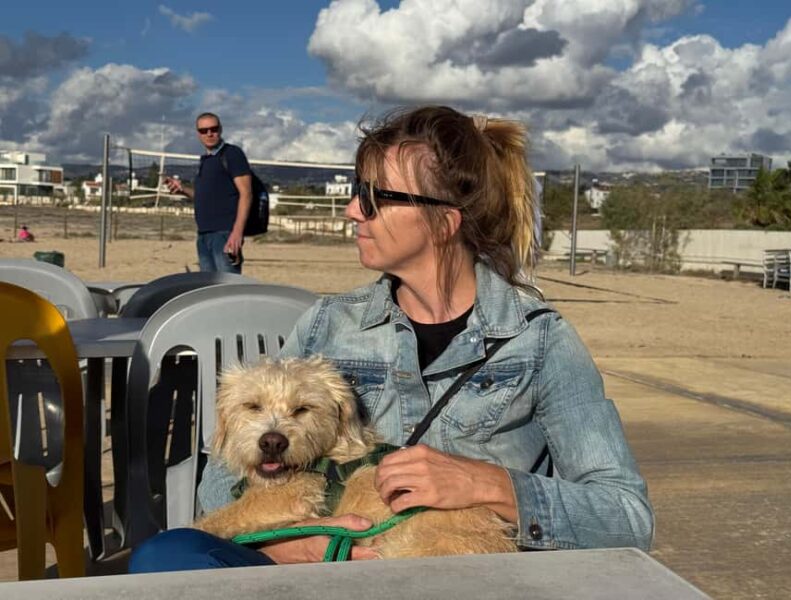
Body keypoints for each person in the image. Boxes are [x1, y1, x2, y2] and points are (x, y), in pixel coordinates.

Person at [130, 105, 653, 573]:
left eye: (372, 197)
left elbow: (627, 517)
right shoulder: (328, 323)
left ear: (443, 221)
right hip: (312, 563)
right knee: (165, 554)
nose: (352, 211)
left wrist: (487, 485)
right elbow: (224, 477)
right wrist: (298, 545)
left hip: (456, 573)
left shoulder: (537, 340)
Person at [165, 112, 251, 273]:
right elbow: (203, 198)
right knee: (209, 290)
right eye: (204, 130)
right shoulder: (206, 160)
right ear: (198, 134)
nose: (209, 133)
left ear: (221, 129)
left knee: (227, 289)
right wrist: (182, 189)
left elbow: (246, 193)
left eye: (213, 129)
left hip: (225, 234)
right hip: (204, 235)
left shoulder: (232, 154)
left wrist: (237, 233)